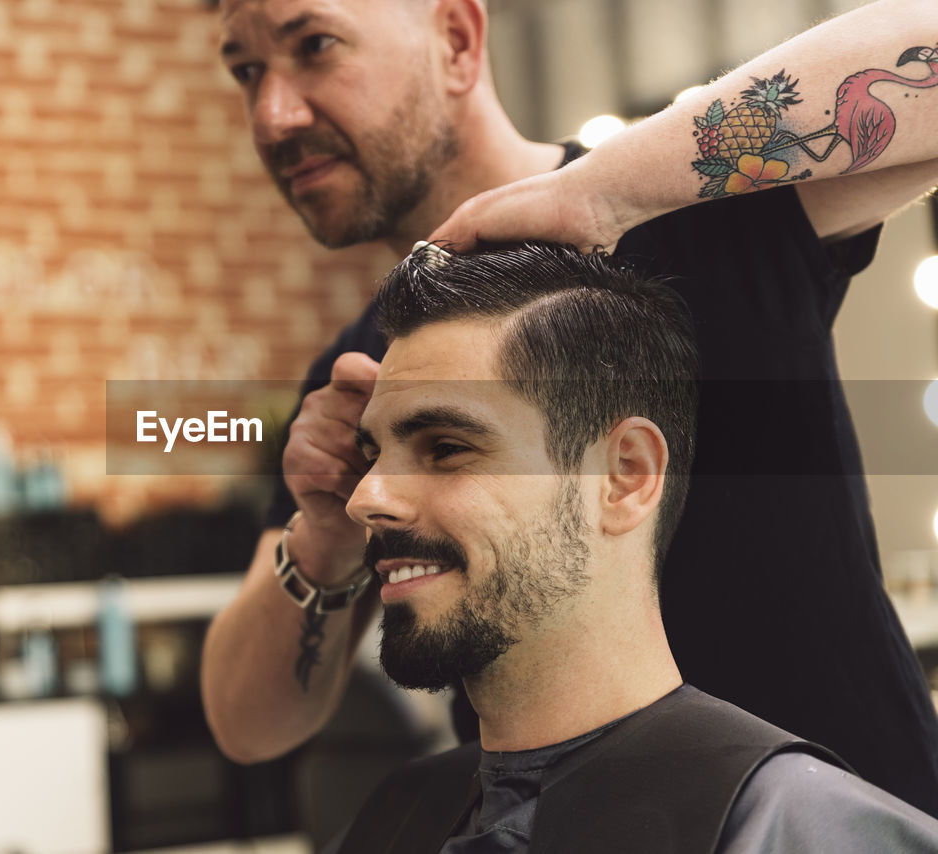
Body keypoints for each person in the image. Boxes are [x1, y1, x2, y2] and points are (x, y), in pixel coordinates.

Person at [201, 0, 938, 814]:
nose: (273, 114)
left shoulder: (682, 209)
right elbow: (247, 727)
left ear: (456, 39)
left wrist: (602, 192)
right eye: (245, 70)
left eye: (313, 46)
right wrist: (326, 537)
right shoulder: (356, 381)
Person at [331, 241, 938, 853]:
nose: (366, 498)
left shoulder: (785, 825)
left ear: (626, 475)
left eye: (446, 448)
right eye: (371, 455)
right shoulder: (394, 818)